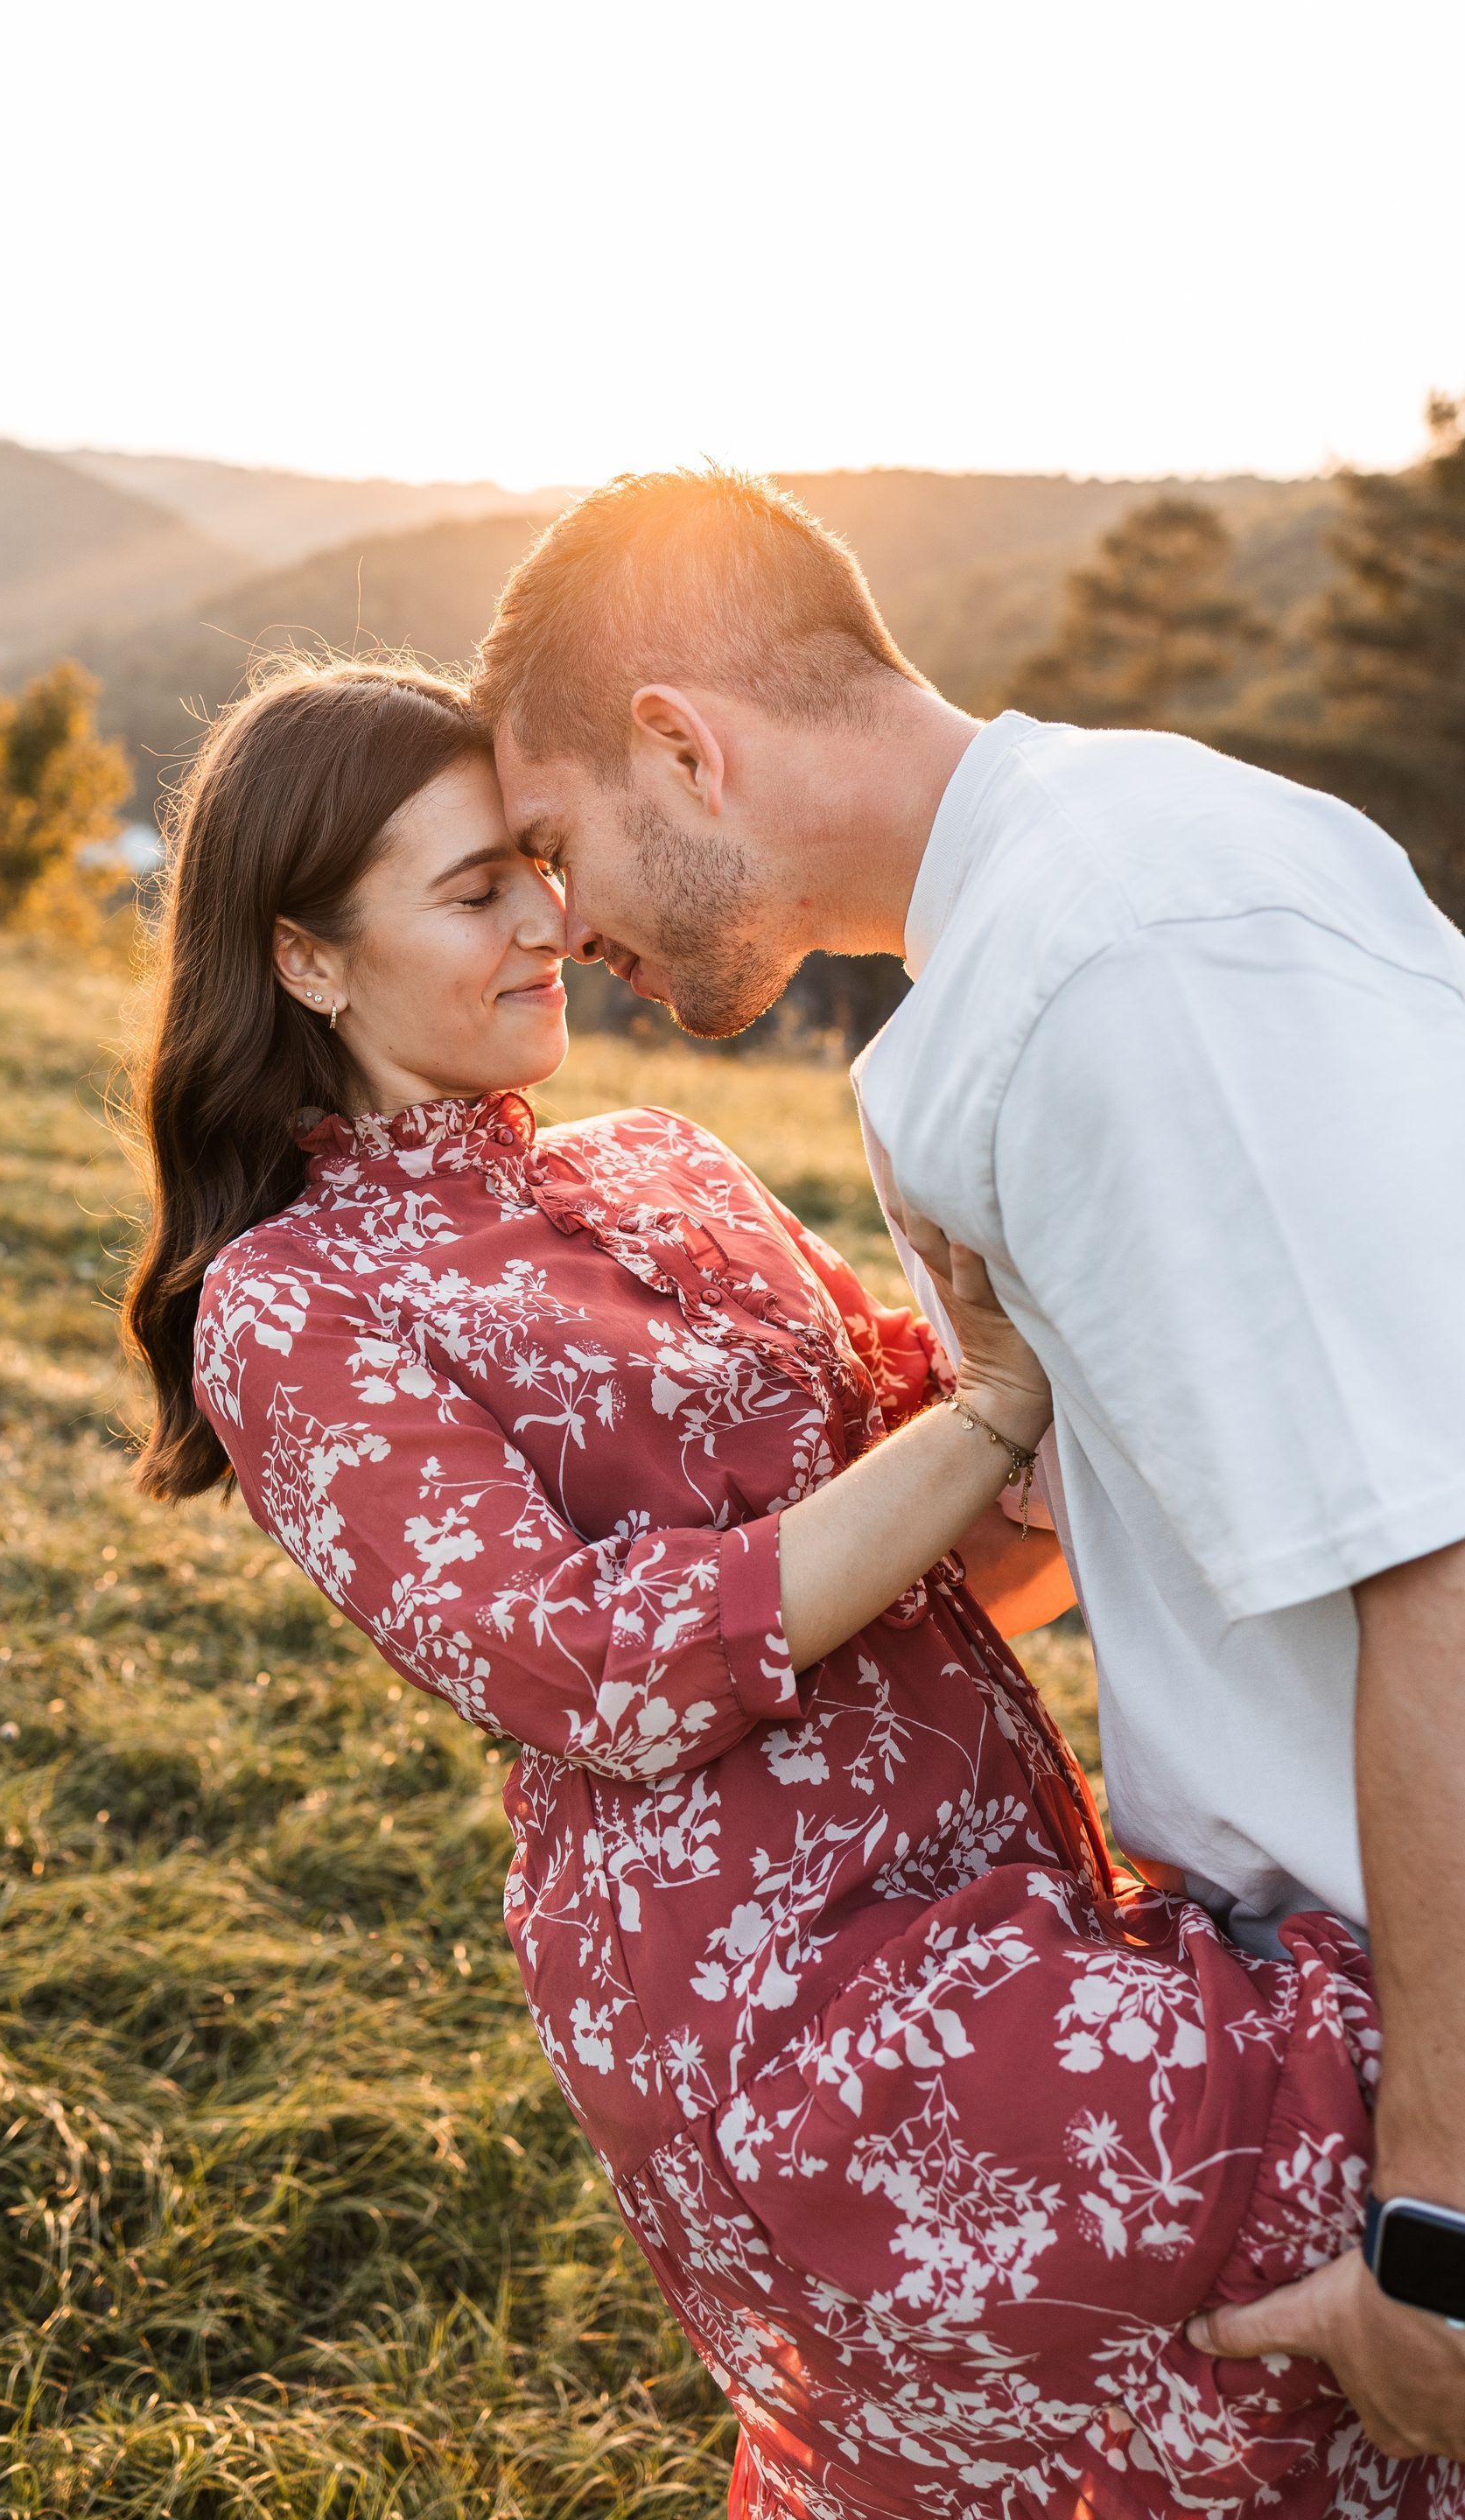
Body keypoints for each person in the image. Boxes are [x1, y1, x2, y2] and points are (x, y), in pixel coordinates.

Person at [124, 659, 1457, 2519]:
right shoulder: (292, 1303)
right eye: (473, 891)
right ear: (307, 960)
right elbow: (587, 1672)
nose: (549, 922)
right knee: (1384, 2129)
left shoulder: (669, 1163)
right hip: (779, 1991)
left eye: (534, 861)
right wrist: (993, 1404)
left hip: (1018, 1883)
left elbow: (974, 1529)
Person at [473, 466, 1465, 2464]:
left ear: (685, 741)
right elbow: (1153, 1523)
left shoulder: (1128, 960)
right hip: (1312, 2031)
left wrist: (1441, 2232)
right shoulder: (1026, 949)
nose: (558, 934)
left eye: (557, 847)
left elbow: (1439, 1559)